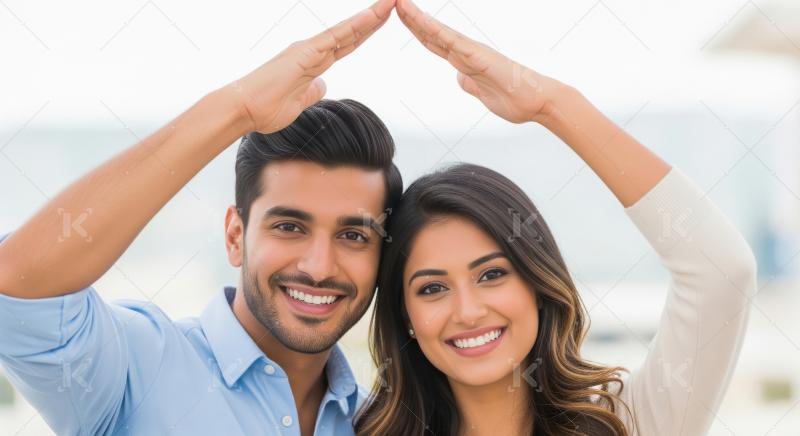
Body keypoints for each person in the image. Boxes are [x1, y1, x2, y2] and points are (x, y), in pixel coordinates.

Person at [354, 0, 758, 435]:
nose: (468, 311)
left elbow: (721, 272)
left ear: (537, 285)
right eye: (433, 288)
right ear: (405, 316)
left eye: (491, 275)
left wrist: (553, 106)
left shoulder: (626, 421)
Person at [0, 1, 401, 435]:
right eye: (289, 227)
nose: (319, 267)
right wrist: (238, 110)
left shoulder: (381, 423)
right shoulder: (134, 369)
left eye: (353, 235)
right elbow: (19, 285)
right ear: (234, 235)